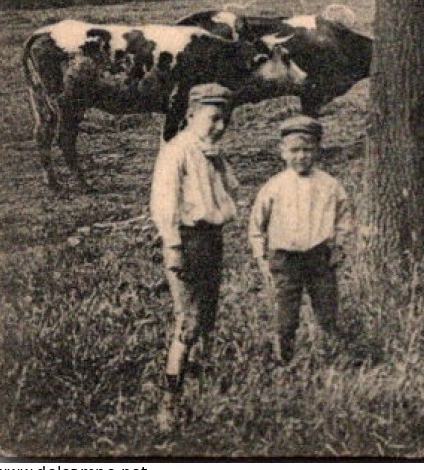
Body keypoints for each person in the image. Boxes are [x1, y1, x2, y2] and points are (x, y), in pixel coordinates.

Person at [149, 82, 239, 433]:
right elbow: (164, 202)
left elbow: (232, 192)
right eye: (214, 118)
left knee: (208, 315)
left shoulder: (212, 151)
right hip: (187, 241)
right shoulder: (177, 150)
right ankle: (169, 399)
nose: (219, 126)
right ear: (191, 115)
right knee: (188, 319)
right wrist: (173, 247)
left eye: (225, 121)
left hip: (211, 239)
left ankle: (203, 389)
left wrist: (220, 163)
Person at [247, 115, 354, 364]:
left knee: (326, 305)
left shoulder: (330, 185)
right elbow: (256, 224)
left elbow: (344, 218)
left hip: (319, 255)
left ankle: (331, 354)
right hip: (285, 257)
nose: (301, 156)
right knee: (286, 310)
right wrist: (260, 256)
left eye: (307, 150)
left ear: (318, 150)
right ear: (282, 152)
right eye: (294, 150)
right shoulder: (274, 186)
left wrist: (338, 244)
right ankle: (284, 356)